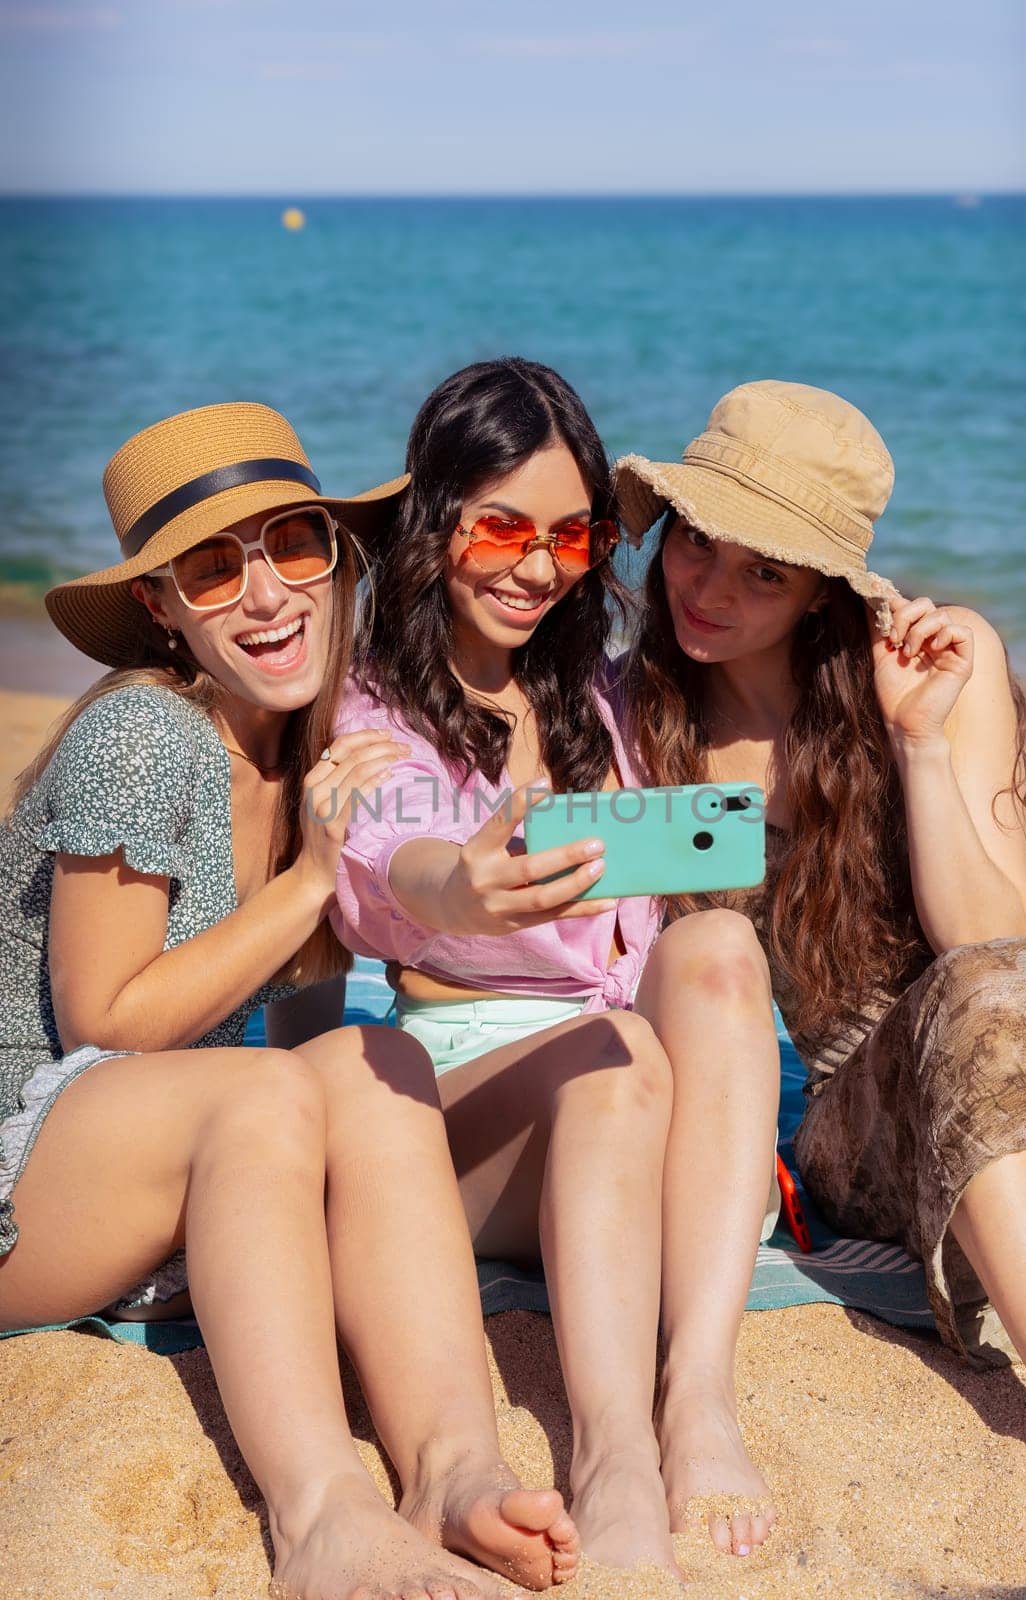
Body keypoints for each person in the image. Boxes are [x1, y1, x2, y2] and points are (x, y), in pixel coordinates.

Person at [0, 402, 580, 1600]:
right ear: (160, 607)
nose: (265, 596)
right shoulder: (146, 737)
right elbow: (101, 1023)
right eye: (214, 569)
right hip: (25, 1164)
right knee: (265, 1093)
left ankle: (453, 1468)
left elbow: (306, 1036)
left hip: (143, 1164)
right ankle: (322, 1514)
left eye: (293, 547)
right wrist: (315, 878)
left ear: (339, 557)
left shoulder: (310, 745)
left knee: (381, 1068)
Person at [330, 358, 784, 1573]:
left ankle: (697, 1403)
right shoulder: (373, 710)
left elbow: (762, 734)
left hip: (610, 1079)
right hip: (458, 1121)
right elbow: (395, 860)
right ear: (437, 525)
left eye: (571, 534)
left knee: (722, 945)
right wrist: (458, 885)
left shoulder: (593, 690)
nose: (537, 565)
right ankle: (613, 1452)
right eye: (502, 527)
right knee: (624, 1049)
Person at [613, 378, 1026, 1567]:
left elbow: (988, 941)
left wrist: (918, 739)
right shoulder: (638, 713)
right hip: (860, 1137)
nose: (708, 589)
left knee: (987, 988)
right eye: (696, 545)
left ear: (820, 587)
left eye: (763, 570)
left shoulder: (933, 663)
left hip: (1011, 1063)